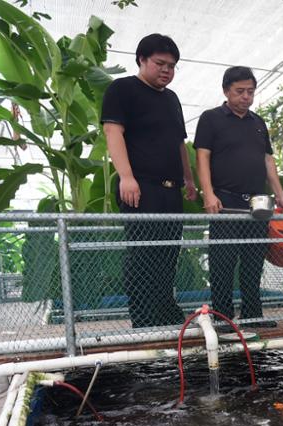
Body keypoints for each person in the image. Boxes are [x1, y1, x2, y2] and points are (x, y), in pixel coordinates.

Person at [101, 34, 197, 328]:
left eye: (172, 65)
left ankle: (166, 310)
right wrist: (126, 177)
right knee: (143, 252)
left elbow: (179, 143)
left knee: (169, 252)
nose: (166, 70)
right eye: (160, 63)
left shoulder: (172, 99)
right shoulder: (122, 89)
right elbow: (113, 132)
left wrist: (188, 179)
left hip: (171, 189)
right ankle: (143, 318)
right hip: (140, 188)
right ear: (141, 59)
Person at [194, 66, 283, 328]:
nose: (246, 97)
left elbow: (267, 159)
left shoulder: (258, 123)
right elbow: (202, 156)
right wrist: (209, 194)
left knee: (253, 258)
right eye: (240, 91)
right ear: (226, 91)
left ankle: (253, 314)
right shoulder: (211, 118)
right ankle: (222, 317)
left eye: (250, 92)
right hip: (225, 201)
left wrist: (280, 194)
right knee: (223, 260)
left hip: (258, 202)